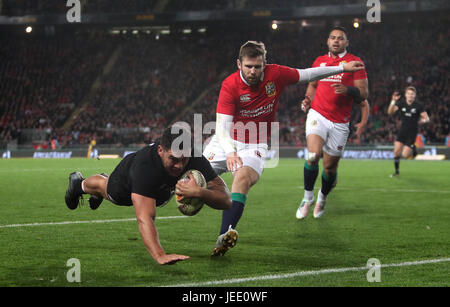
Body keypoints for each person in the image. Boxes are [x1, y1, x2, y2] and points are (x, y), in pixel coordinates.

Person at [203, 40, 365, 256]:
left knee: (242, 179)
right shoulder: (230, 85)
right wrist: (231, 152)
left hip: (255, 143)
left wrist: (342, 68)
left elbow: (308, 74)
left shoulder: (276, 74)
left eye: (257, 66)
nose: (253, 71)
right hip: (226, 141)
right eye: (248, 66)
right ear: (239, 64)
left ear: (264, 64)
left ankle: (224, 236)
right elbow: (222, 128)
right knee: (191, 182)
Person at [64, 126, 232, 265]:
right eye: (173, 159)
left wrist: (200, 192)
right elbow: (145, 217)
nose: (180, 166)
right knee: (108, 190)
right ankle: (78, 183)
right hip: (126, 181)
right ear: (160, 150)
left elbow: (226, 200)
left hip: (161, 190)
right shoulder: (144, 167)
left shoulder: (193, 157)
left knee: (159, 193)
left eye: (184, 160)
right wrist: (159, 254)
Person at [296, 26, 369, 220]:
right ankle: (307, 197)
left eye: (340, 38)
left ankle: (322, 197)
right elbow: (312, 84)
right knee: (313, 155)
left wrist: (348, 90)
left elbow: (364, 94)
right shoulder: (319, 61)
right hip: (317, 115)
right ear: (328, 41)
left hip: (340, 122)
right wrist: (307, 99)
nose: (336, 41)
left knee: (329, 168)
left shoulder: (356, 62)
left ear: (347, 42)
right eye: (332, 38)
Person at [387, 86, 429, 177]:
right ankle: (397, 172)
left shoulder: (418, 106)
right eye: (409, 94)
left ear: (415, 96)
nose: (410, 95)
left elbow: (427, 118)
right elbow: (390, 112)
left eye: (412, 94)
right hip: (402, 131)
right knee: (396, 151)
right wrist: (393, 101)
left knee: (405, 155)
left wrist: (423, 121)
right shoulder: (401, 103)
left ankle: (414, 149)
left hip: (412, 132)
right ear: (405, 95)